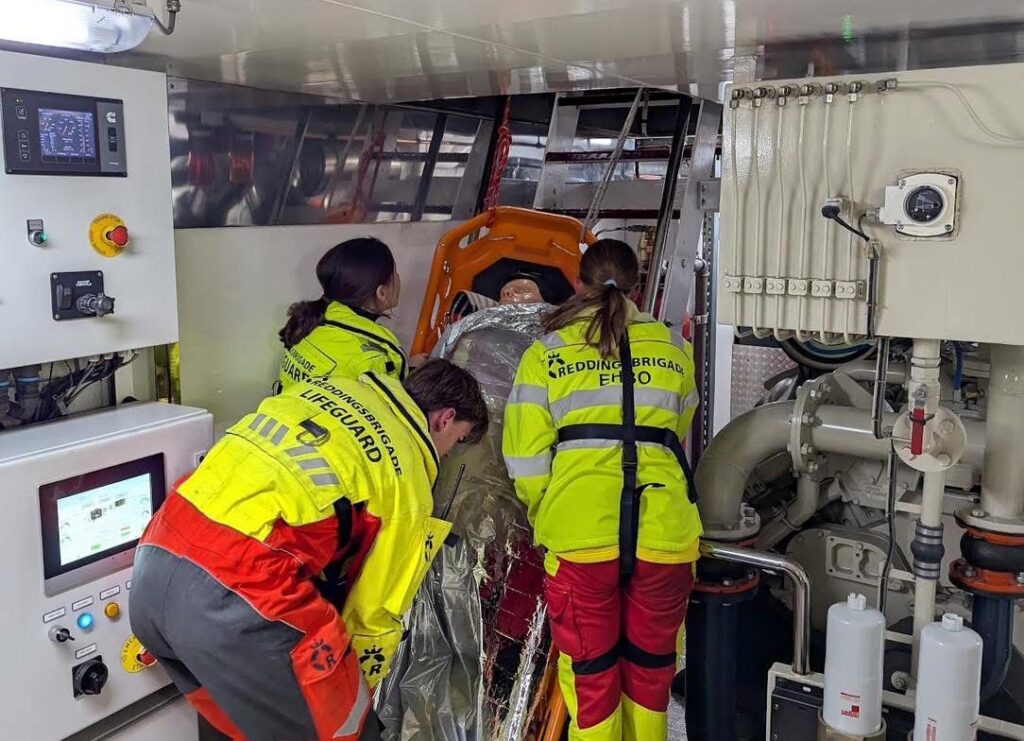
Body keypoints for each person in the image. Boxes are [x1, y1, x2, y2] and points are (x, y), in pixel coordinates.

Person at [130, 360, 488, 741]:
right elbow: (373, 618)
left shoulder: (329, 389)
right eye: (458, 441)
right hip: (239, 591)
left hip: (153, 567)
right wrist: (359, 696)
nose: (448, 454)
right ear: (445, 419)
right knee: (348, 728)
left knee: (241, 727)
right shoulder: (408, 482)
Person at [502, 239, 701, 741]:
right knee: (651, 669)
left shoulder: (547, 352)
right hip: (665, 531)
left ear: (578, 283)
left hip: (580, 534)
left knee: (591, 675)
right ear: (637, 286)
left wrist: (549, 511)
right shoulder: (676, 348)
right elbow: (678, 431)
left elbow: (525, 458)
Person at [278, 238, 406, 391]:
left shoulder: (313, 323)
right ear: (382, 293)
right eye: (395, 273)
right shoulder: (373, 360)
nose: (399, 278)